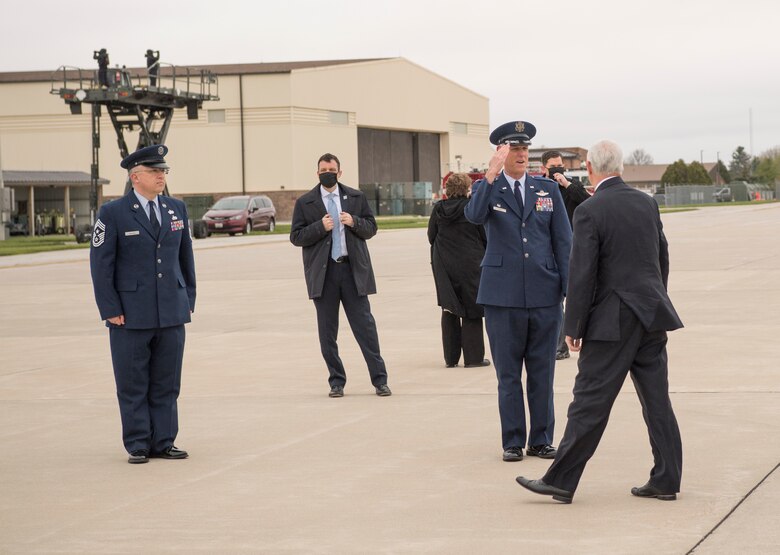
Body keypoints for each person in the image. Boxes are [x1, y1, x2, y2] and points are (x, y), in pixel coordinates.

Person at [516, 140, 683, 503]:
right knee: (657, 401)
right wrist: (655, 298)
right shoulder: (647, 202)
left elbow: (582, 273)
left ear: (590, 168)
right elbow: (662, 257)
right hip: (651, 314)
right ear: (620, 167)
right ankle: (667, 479)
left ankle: (560, 479)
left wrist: (573, 326)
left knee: (589, 400)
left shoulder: (591, 209)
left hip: (612, 321)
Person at [464, 121, 572, 462]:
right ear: (501, 153)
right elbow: (473, 215)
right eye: (515, 149)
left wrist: (569, 293)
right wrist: (489, 176)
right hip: (502, 297)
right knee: (508, 374)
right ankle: (512, 440)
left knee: (543, 372)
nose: (523, 154)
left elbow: (563, 242)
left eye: (526, 149)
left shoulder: (547, 190)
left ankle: (541, 439)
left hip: (544, 294)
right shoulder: (488, 189)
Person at [90, 144, 196, 464]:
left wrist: (187, 298)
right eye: (154, 171)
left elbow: (185, 257)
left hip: (171, 311)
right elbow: (101, 265)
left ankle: (163, 440)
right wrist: (110, 309)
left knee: (167, 382)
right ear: (136, 177)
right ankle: (137, 442)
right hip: (130, 315)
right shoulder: (113, 213)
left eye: (163, 171)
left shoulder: (176, 208)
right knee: (133, 382)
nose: (161, 176)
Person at [290, 153, 391, 398]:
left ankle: (380, 380)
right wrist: (319, 227)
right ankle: (336, 381)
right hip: (324, 275)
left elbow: (371, 228)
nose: (328, 172)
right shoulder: (306, 203)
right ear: (317, 173)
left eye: (332, 169)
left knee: (365, 328)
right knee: (327, 332)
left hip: (352, 271)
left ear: (339, 172)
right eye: (323, 169)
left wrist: (354, 221)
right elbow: (296, 237)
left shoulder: (355, 197)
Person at [428, 173, 489, 368]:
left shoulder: (438, 209)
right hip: (471, 263)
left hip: (444, 264)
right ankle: (474, 358)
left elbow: (431, 236)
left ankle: (451, 358)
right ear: (467, 188)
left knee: (449, 308)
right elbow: (484, 236)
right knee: (472, 309)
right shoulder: (472, 209)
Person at [541, 150, 592, 361]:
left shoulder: (571, 187)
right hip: (547, 249)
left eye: (560, 165)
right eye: (553, 166)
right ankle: (556, 344)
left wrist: (566, 184)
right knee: (553, 299)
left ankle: (565, 343)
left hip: (572, 248)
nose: (558, 169)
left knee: (572, 295)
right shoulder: (540, 188)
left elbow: (588, 203)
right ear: (544, 168)